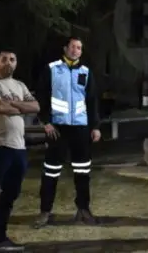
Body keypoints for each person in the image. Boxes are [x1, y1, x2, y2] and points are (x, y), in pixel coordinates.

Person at [0, 49, 40, 252]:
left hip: (19, 147)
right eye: (4, 59)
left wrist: (10, 103)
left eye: (12, 59)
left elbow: (36, 106)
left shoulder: (20, 85)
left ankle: (0, 237)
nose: (8, 63)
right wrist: (21, 107)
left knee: (11, 194)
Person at [33, 37, 101, 228]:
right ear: (65, 48)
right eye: (72, 47)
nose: (75, 50)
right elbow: (41, 96)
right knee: (51, 172)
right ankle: (45, 212)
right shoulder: (52, 69)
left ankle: (83, 209)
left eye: (79, 48)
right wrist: (46, 121)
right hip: (57, 129)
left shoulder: (86, 72)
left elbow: (92, 101)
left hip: (81, 128)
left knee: (83, 171)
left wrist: (95, 126)